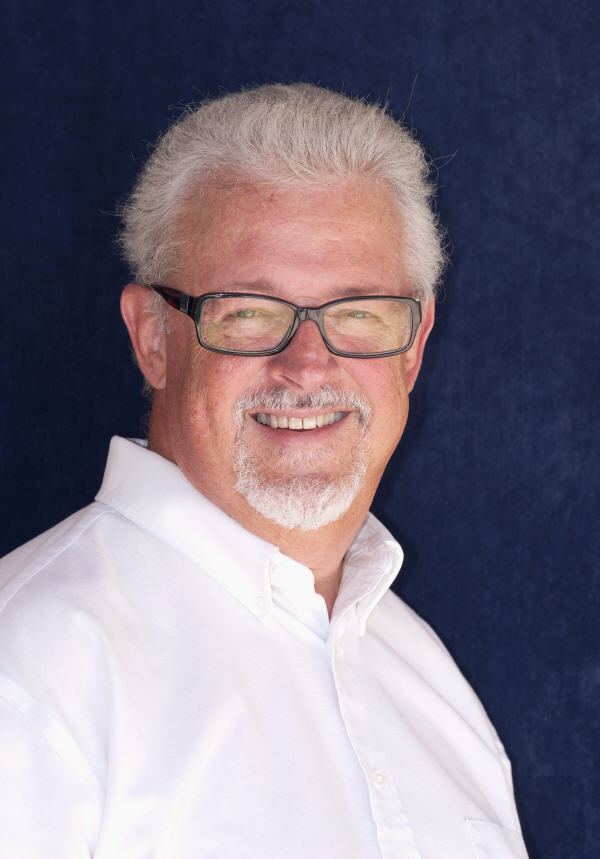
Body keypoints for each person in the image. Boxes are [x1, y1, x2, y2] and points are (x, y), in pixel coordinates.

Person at [0, 83, 529, 858]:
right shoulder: (28, 674)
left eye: (359, 312)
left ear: (414, 348)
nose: (307, 365)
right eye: (248, 311)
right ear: (152, 338)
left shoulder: (429, 686)